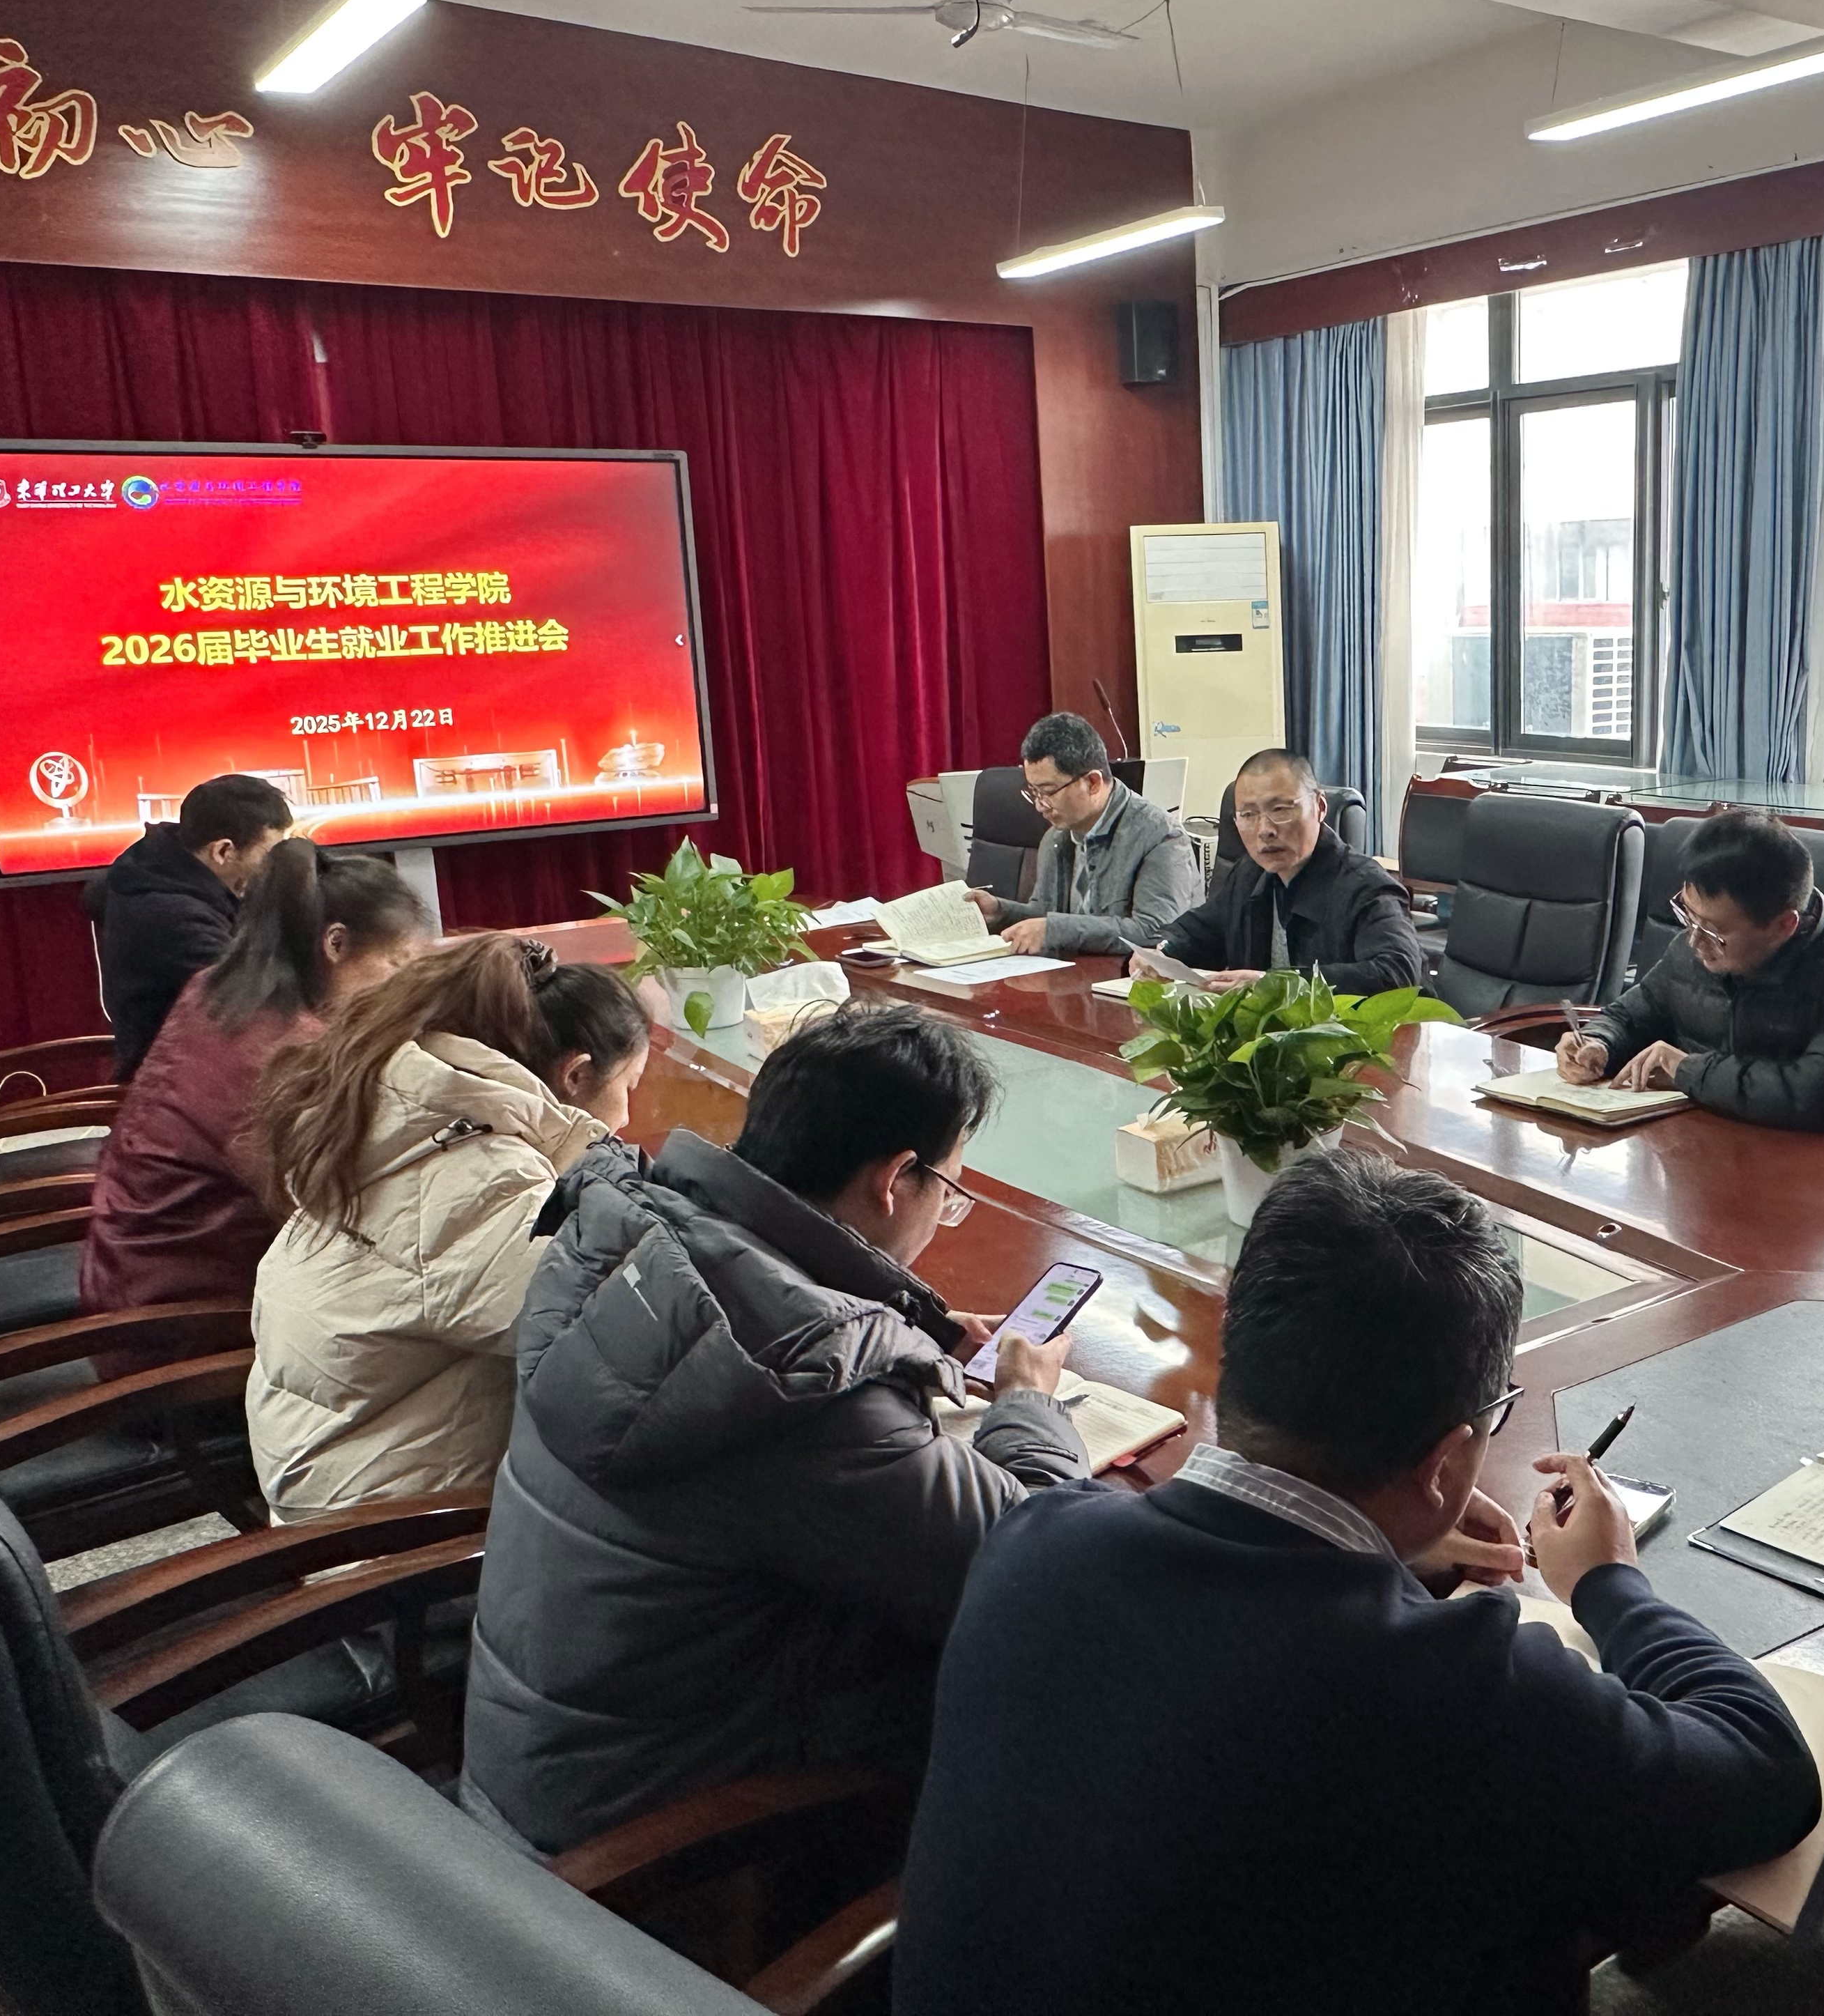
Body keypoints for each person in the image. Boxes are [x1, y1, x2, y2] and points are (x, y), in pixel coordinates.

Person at [895, 1146, 1821, 2016]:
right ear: (1446, 1461)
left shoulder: (1033, 1542)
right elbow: (1765, 1773)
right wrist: (1609, 1584)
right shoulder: (1461, 1685)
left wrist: (1380, 1545)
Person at [460, 1002, 1087, 1855]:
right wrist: (1028, 1402)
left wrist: (906, 1324)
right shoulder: (804, 1392)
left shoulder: (620, 1233)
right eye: (950, 1192)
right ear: (895, 1180)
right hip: (653, 1845)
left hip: (536, 1764)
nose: (945, 1212)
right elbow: (1037, 1561)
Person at [245, 934, 647, 1523]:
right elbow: (624, 1323)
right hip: (385, 1531)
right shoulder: (489, 1183)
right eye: (630, 1086)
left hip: (321, 1458)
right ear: (577, 1076)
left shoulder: (391, 1111)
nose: (629, 1114)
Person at [80, 841, 428, 1316]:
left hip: (124, 1272)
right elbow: (339, 1218)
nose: (405, 986)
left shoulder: (216, 987)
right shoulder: (293, 1054)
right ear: (336, 944)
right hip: (186, 1319)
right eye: (398, 963)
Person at [1557, 810, 1824, 1143]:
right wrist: (1599, 1043)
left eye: (1713, 931)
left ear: (1783, 926)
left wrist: (1687, 1070)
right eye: (1688, 915)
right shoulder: (1695, 946)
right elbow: (1632, 1014)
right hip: (1715, 1140)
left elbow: (1819, 1094)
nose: (1694, 941)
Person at [1147, 750, 1420, 995]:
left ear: (1320, 807)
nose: (1265, 830)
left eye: (1279, 810)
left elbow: (1397, 973)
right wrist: (1161, 953)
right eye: (1248, 815)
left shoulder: (1367, 887)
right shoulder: (1249, 874)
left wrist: (1274, 984)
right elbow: (1199, 933)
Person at [90, 773, 293, 1077]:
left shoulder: (164, 868)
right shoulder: (175, 919)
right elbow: (259, 1007)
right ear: (223, 852)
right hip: (175, 1083)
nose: (276, 868)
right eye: (270, 855)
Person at [967, 711, 1200, 957]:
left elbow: (1155, 931)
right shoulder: (1056, 838)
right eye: (1033, 792)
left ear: (1093, 783)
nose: (1040, 805)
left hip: (1134, 976)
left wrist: (1056, 930)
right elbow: (1046, 913)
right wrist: (1000, 912)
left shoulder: (1160, 836)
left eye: (1049, 792)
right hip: (1074, 973)